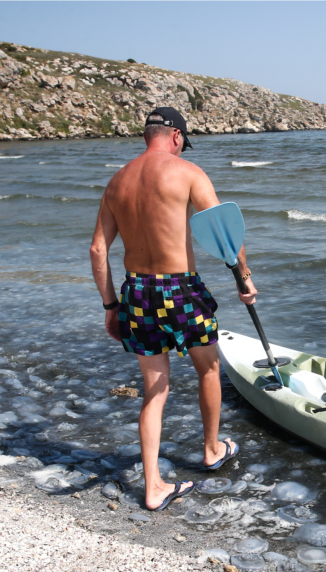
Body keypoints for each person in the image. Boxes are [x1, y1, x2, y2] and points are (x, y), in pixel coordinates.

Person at [89, 107, 257, 511]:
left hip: (137, 292)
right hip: (181, 290)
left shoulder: (117, 181)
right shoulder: (188, 172)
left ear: (147, 135)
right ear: (177, 137)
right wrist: (244, 278)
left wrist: (111, 306)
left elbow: (98, 249)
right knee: (209, 369)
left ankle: (153, 487)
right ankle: (213, 449)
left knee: (154, 389)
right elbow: (223, 233)